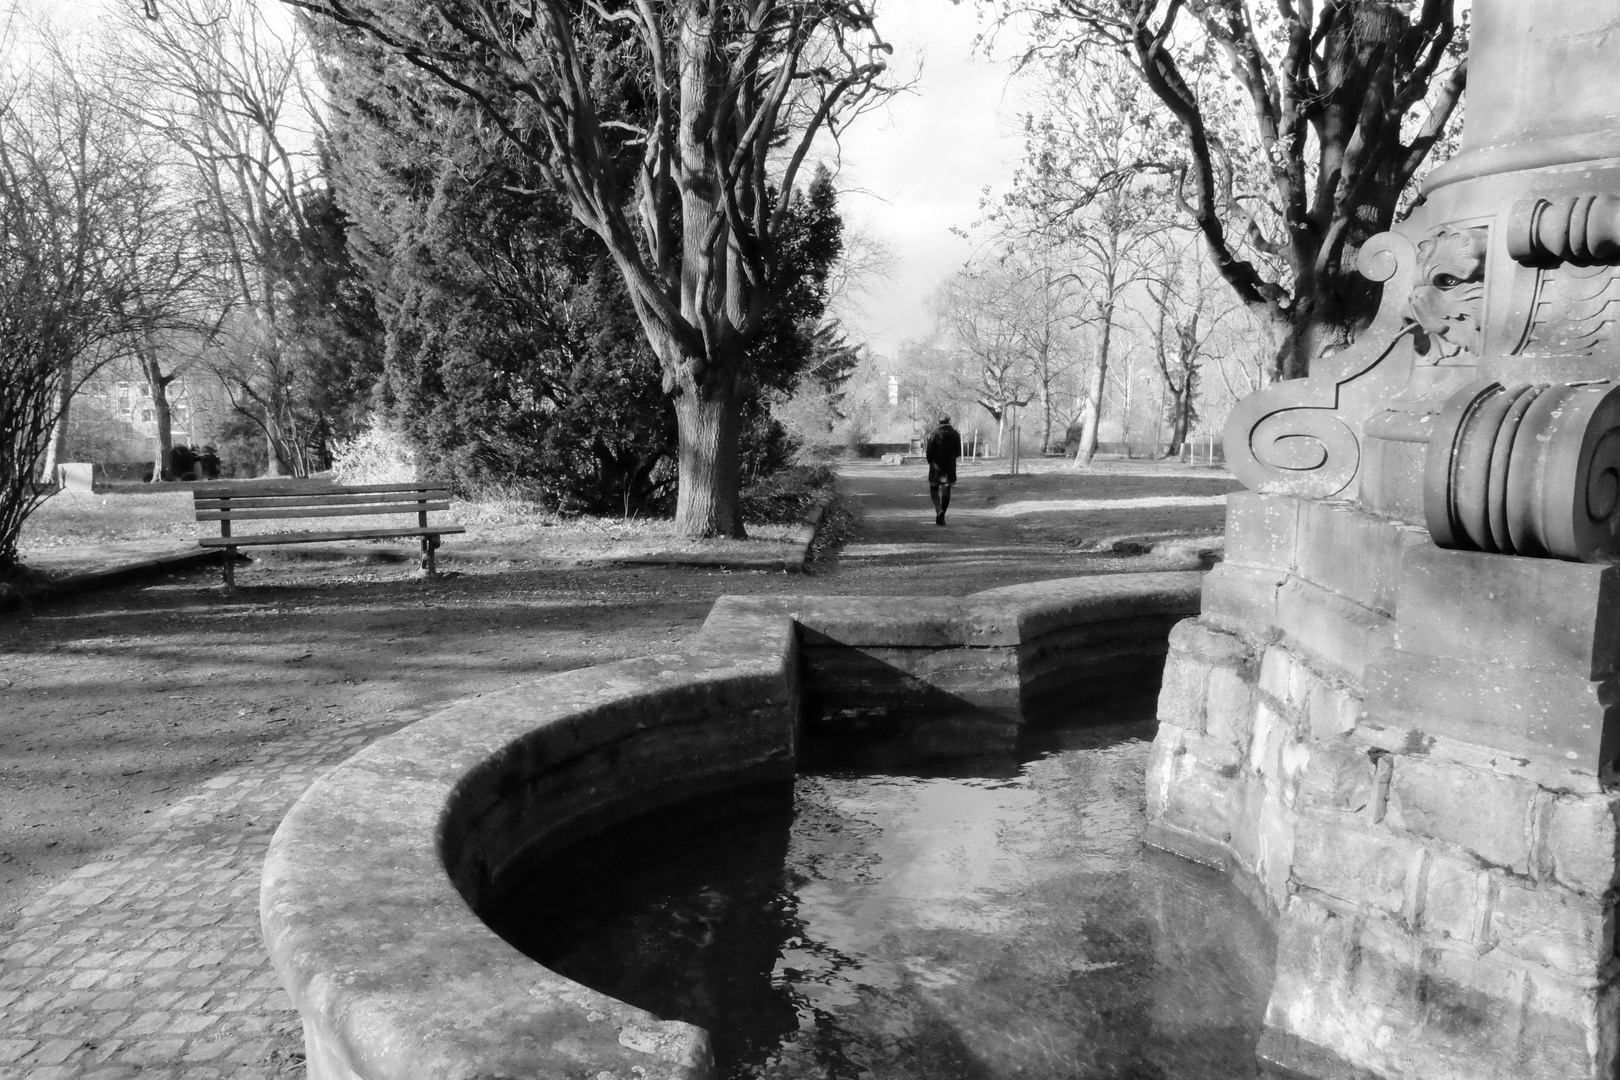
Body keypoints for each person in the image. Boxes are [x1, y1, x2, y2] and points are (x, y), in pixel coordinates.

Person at [925, 414, 962, 525]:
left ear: (939, 422)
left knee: (934, 489)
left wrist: (930, 461)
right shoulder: (955, 434)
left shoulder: (935, 434)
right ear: (949, 421)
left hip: (936, 467)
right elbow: (958, 452)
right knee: (947, 490)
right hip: (949, 467)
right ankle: (942, 516)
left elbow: (929, 452)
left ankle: (938, 510)